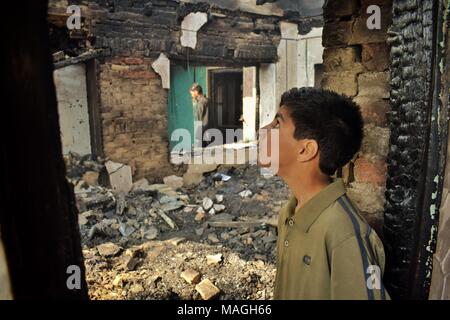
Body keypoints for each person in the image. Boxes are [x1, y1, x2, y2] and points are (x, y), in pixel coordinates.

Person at [259, 87, 389, 300]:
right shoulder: (289, 212)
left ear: (306, 150)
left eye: (277, 124)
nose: (262, 130)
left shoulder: (344, 234)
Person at [189, 83, 209, 148]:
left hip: (204, 135)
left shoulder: (201, 102)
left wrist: (197, 141)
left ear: (196, 92)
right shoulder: (207, 100)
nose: (191, 95)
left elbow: (198, 121)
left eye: (192, 93)